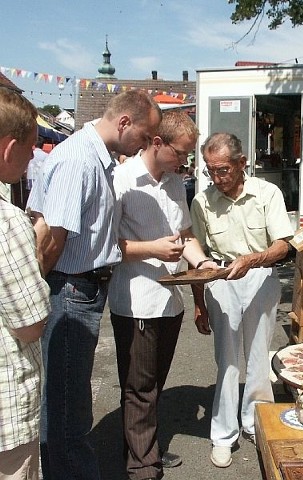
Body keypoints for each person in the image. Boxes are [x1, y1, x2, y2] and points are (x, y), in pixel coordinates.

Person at [26, 89, 162, 480]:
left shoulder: (93, 158)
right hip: (70, 290)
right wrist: (34, 294)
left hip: (79, 288)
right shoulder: (80, 160)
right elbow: (51, 238)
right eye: (143, 137)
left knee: (66, 403)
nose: (143, 147)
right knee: (70, 412)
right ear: (125, 123)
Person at [108, 110, 211, 480]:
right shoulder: (121, 180)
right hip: (136, 300)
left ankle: (141, 450)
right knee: (140, 390)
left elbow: (184, 237)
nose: (185, 162)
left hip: (169, 301)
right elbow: (105, 246)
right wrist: (151, 248)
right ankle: (142, 468)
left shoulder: (171, 182)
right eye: (181, 154)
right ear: (157, 142)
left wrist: (203, 263)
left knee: (152, 388)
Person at [190, 132, 293, 468]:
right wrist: (199, 302)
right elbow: (196, 256)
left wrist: (251, 260)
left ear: (242, 163)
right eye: (211, 170)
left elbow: (283, 246)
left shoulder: (267, 194)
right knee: (228, 360)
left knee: (258, 360)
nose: (217, 178)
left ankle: (255, 422)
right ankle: (223, 434)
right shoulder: (202, 202)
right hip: (219, 279)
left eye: (223, 170)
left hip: (259, 276)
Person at [0, 88, 51, 480]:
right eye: (31, 146)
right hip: (6, 414)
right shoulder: (8, 223)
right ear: (9, 148)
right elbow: (30, 324)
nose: (34, 156)